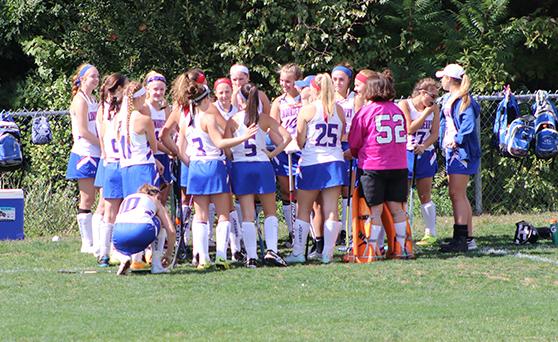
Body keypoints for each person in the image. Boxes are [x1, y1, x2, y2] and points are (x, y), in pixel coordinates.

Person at [181, 83, 258, 269]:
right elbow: (220, 142)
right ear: (206, 99)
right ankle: (221, 257)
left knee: (200, 216)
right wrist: (244, 137)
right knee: (223, 213)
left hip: (196, 166)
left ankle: (202, 258)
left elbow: (180, 149)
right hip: (213, 164)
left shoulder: (186, 120)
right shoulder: (208, 118)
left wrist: (191, 163)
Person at [225, 83, 291, 268]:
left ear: (240, 99)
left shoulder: (233, 120)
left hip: (241, 166)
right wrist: (271, 154)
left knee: (247, 214)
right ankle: (272, 251)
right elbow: (287, 138)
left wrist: (233, 156)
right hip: (261, 165)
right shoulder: (264, 119)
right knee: (270, 211)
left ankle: (251, 257)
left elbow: (226, 147)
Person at [285, 73, 346, 264]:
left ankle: (298, 253)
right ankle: (327, 254)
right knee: (331, 210)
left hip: (312, 162)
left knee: (303, 209)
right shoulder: (340, 110)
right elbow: (341, 136)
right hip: (335, 161)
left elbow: (300, 139)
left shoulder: (308, 110)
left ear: (315, 89)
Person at [348, 70, 410, 258]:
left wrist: (352, 152)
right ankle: (401, 248)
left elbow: (354, 142)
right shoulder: (398, 109)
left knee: (375, 210)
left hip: (374, 165)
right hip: (398, 164)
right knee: (397, 209)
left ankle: (371, 249)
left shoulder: (366, 111)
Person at [436, 64, 481, 252]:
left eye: (443, 77)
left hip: (460, 153)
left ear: (451, 79)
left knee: (456, 194)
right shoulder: (449, 98)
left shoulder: (464, 100)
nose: (441, 81)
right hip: (452, 151)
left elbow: (468, 125)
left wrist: (457, 140)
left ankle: (461, 238)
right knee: (458, 194)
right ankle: (467, 237)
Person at [399, 78, 440, 246]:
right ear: (422, 93)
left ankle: (430, 233)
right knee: (403, 195)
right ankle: (402, 233)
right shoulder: (405, 104)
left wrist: (424, 146)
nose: (434, 100)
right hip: (406, 153)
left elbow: (435, 133)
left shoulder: (434, 108)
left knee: (425, 194)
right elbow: (409, 128)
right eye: (432, 96)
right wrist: (425, 113)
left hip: (424, 153)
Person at [65, 63, 101, 255]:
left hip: (96, 152)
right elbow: (83, 131)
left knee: (102, 197)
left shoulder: (93, 98)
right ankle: (86, 243)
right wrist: (103, 144)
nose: (96, 79)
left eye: (97, 76)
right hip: (85, 153)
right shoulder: (80, 100)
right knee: (87, 199)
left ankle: (98, 239)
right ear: (82, 79)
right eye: (92, 76)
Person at [96, 73, 128, 267]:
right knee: (120, 209)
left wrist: (105, 156)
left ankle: (104, 253)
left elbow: (101, 139)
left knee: (109, 211)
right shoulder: (124, 110)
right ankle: (117, 250)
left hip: (109, 162)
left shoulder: (102, 109)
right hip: (122, 162)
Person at [269, 63, 304, 242]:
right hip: (285, 150)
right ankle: (291, 231)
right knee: (286, 190)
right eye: (282, 80)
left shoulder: (306, 99)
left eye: (288, 81)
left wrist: (300, 143)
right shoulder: (278, 102)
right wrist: (283, 145)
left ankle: (304, 230)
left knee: (302, 190)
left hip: (302, 149)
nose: (284, 84)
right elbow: (272, 128)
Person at [113, 184, 176, 275]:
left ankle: (124, 257)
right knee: (160, 221)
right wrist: (168, 255)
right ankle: (157, 265)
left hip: (118, 234)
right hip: (141, 229)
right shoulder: (154, 200)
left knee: (117, 245)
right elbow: (171, 231)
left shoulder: (127, 198)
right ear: (155, 195)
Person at [332, 63, 357, 245]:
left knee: (348, 189)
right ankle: (337, 230)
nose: (338, 83)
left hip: (350, 144)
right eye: (334, 79)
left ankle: (347, 230)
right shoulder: (329, 99)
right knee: (335, 189)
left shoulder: (355, 99)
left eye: (341, 79)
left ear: (349, 80)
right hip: (333, 146)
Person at [144, 71, 172, 206]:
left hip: (164, 154)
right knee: (151, 196)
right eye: (155, 89)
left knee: (164, 195)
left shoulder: (165, 108)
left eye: (161, 89)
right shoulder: (145, 107)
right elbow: (149, 139)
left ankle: (161, 226)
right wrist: (171, 151)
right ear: (147, 89)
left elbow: (169, 133)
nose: (158, 92)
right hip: (151, 154)